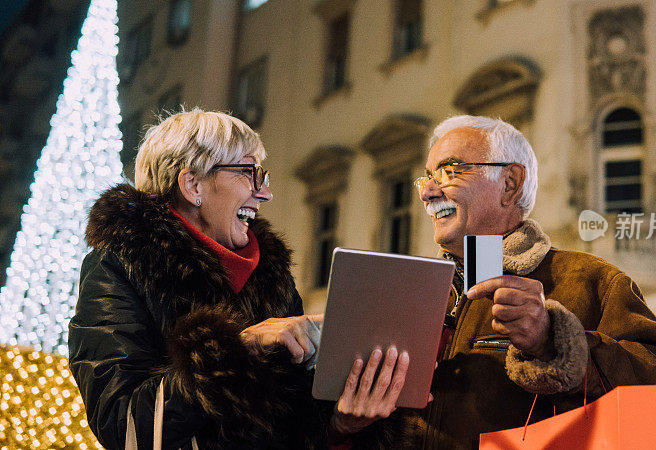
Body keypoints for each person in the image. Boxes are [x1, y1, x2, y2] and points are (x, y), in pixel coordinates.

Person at [68, 109, 405, 449]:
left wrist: (338, 423)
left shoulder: (270, 276)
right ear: (193, 185)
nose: (265, 193)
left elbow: (291, 429)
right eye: (247, 173)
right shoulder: (118, 267)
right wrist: (241, 347)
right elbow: (121, 424)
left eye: (263, 176)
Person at [390, 115, 656, 448]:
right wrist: (343, 422)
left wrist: (554, 341)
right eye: (426, 178)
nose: (428, 193)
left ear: (509, 183)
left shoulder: (588, 280)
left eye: (449, 170)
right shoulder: (408, 294)